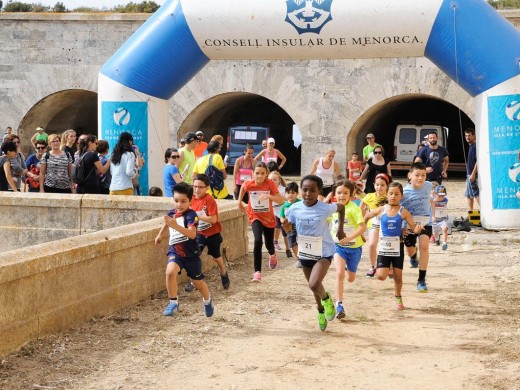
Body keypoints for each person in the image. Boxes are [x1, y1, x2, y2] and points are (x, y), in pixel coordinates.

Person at [282, 175, 346, 332]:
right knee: (313, 286)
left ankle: (327, 299)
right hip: (305, 253)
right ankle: (320, 311)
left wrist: (340, 229)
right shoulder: (294, 209)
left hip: (324, 252)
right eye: (304, 190)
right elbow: (289, 228)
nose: (308, 194)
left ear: (319, 191)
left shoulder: (325, 207)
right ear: (300, 191)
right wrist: (286, 227)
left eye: (312, 190)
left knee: (314, 283)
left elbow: (342, 207)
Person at [154, 182, 214, 317]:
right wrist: (159, 235)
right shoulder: (172, 213)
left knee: (198, 283)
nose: (179, 205)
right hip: (175, 251)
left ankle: (207, 300)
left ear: (190, 201)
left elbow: (192, 234)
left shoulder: (192, 216)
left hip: (191, 255)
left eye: (183, 201)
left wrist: (175, 226)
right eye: (176, 201)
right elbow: (167, 222)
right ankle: (173, 302)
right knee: (170, 272)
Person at [364, 182, 423, 311]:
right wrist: (361, 227)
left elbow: (413, 227)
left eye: (396, 194)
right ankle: (388, 266)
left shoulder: (403, 212)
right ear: (387, 195)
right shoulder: (382, 209)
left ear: (401, 196)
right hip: (384, 248)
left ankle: (398, 297)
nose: (393, 196)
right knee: (381, 276)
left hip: (398, 248)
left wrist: (417, 229)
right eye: (391, 193)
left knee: (398, 276)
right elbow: (367, 216)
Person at [237, 161, 285, 282]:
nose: (259, 176)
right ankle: (257, 272)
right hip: (255, 216)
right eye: (257, 173)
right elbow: (243, 187)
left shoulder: (270, 184)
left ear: (266, 174)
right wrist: (239, 201)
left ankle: (273, 255)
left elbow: (281, 201)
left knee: (269, 245)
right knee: (258, 241)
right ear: (253, 173)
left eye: (262, 173)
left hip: (268, 219)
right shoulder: (249, 183)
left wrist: (269, 196)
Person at [330, 180, 366, 319]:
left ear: (351, 194)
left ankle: (347, 270)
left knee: (350, 278)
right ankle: (339, 304)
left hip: (354, 249)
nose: (342, 195)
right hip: (339, 248)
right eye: (339, 193)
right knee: (339, 274)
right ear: (334, 194)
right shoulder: (332, 209)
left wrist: (351, 237)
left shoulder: (354, 208)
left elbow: (362, 227)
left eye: (345, 193)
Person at [191, 173, 230, 289]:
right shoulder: (191, 199)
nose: (197, 190)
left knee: (216, 257)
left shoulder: (209, 200)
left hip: (213, 234)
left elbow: (213, 219)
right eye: (195, 186)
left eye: (200, 187)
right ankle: (195, 279)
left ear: (207, 188)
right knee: (195, 254)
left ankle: (223, 272)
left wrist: (197, 216)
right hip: (199, 234)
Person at [401, 162, 434, 293]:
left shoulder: (428, 185)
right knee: (409, 248)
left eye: (423, 175)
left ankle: (421, 280)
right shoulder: (404, 192)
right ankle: (413, 257)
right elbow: (400, 210)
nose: (420, 178)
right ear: (410, 176)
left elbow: (430, 199)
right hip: (410, 223)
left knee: (424, 246)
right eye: (417, 175)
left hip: (426, 221)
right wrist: (402, 227)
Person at [360, 173, 389, 278]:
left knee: (385, 245)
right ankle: (372, 266)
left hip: (387, 225)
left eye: (382, 185)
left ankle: (388, 266)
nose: (379, 187)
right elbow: (360, 209)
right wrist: (362, 221)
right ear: (374, 185)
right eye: (377, 184)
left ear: (387, 186)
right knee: (372, 244)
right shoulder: (369, 196)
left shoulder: (389, 196)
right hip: (373, 224)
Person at [269, 171, 291, 257]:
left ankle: (288, 248)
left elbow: (288, 200)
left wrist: (281, 197)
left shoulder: (283, 189)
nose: (272, 181)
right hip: (273, 210)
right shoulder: (267, 189)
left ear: (279, 180)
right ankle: (274, 246)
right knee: (275, 227)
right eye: (270, 179)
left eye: (274, 179)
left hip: (282, 210)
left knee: (285, 231)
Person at [279, 181, 301, 267]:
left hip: (299, 227)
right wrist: (283, 220)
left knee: (301, 243)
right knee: (293, 244)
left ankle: (305, 259)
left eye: (293, 193)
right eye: (288, 193)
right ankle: (299, 259)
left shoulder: (300, 203)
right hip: (290, 229)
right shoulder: (284, 205)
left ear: (297, 193)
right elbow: (281, 216)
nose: (290, 195)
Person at [464, 128, 479, 210]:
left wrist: (473, 174)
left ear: (474, 136)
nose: (467, 137)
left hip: (473, 174)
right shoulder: (471, 146)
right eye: (466, 136)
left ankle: (485, 212)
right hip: (469, 174)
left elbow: (478, 161)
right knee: (469, 194)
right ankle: (470, 212)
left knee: (475, 193)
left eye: (469, 135)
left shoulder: (476, 146)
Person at [432, 185, 449, 251]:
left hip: (443, 218)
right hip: (435, 219)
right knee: (435, 232)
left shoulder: (445, 200)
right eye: (439, 196)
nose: (441, 197)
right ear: (435, 194)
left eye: (443, 196)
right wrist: (434, 199)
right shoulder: (432, 200)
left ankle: (444, 243)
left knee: (444, 229)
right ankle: (437, 239)